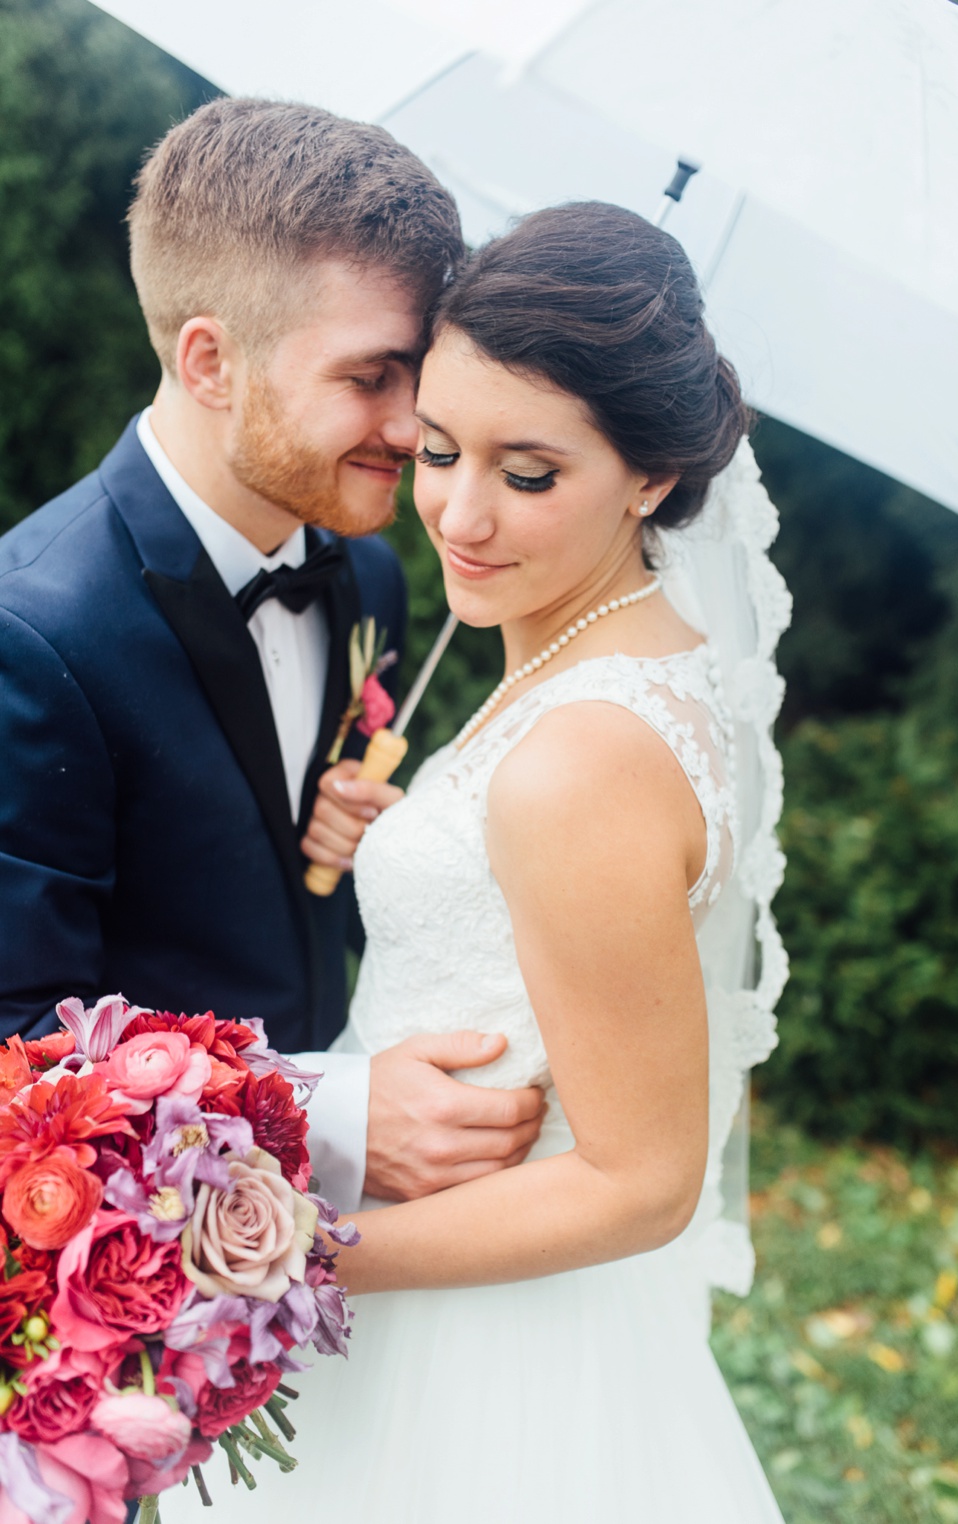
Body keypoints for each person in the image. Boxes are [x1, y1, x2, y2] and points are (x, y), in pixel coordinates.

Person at [171, 200, 786, 1519]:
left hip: (484, 1348)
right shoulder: (618, 660)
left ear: (653, 478)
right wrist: (403, 840)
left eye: (528, 473)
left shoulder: (583, 751)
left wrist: (298, 1256)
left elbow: (641, 1181)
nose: (457, 511)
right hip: (481, 1294)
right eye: (441, 450)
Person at [0, 99, 543, 1223]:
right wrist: (335, 1116)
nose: (414, 427)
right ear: (210, 360)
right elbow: (18, 1052)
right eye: (369, 378)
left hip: (338, 1260)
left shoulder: (375, 579)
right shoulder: (31, 634)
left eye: (420, 375)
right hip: (138, 1283)